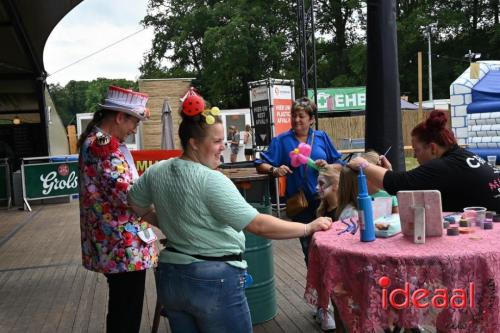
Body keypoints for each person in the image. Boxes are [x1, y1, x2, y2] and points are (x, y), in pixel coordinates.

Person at [128, 92, 333, 333]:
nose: (223, 146)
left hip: (171, 277)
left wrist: (170, 224)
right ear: (194, 143)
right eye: (216, 141)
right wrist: (309, 227)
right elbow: (257, 225)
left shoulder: (157, 171)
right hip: (213, 280)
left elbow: (136, 204)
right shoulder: (211, 179)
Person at [77, 86, 158, 333]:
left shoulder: (97, 140)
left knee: (124, 307)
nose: (135, 129)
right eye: (134, 121)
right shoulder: (104, 145)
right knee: (126, 311)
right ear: (120, 117)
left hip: (115, 243)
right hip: (122, 245)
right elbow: (127, 193)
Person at [348, 110, 500, 212]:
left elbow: (397, 184)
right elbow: (408, 184)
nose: (415, 157)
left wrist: (362, 164)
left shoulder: (444, 167)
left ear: (433, 148)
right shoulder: (462, 157)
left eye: (416, 150)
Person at [255, 97, 342, 265]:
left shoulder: (321, 137)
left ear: (311, 119)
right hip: (302, 206)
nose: (296, 120)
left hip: (327, 203)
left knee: (333, 248)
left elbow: (340, 163)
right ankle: (316, 288)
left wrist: (327, 165)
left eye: (301, 116)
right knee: (310, 252)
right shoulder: (282, 140)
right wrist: (275, 170)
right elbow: (260, 164)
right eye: (293, 115)